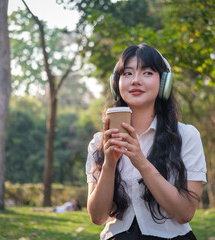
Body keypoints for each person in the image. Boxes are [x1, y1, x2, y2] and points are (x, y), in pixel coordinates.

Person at [85, 43, 207, 240]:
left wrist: (141, 162)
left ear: (164, 82)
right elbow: (98, 217)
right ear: (115, 83)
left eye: (147, 73)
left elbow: (185, 213)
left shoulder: (187, 136)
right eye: (127, 73)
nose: (136, 81)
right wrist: (109, 164)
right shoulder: (100, 142)